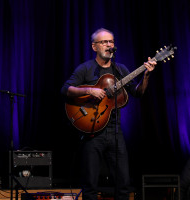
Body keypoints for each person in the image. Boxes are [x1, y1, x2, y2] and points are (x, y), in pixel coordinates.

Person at [61, 28, 156, 200]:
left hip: (115, 131)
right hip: (92, 131)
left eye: (111, 41)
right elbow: (66, 90)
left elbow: (138, 92)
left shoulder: (120, 69)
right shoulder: (86, 69)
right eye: (104, 42)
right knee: (90, 184)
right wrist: (90, 90)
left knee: (123, 183)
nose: (109, 45)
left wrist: (147, 75)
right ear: (94, 46)